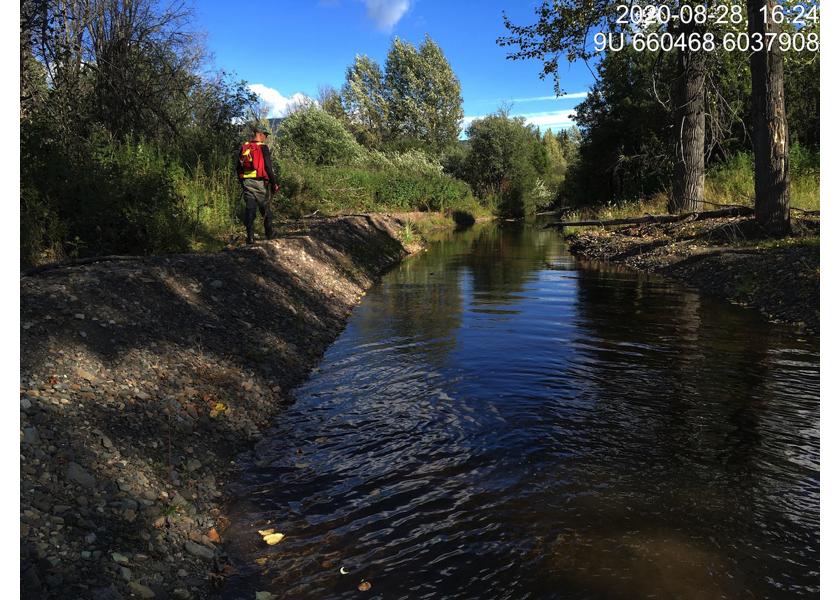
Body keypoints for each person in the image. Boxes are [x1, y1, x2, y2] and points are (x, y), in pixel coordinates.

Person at [236, 124, 279, 244]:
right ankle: (269, 233)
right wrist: (274, 183)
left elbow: (238, 167)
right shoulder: (263, 147)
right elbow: (268, 168)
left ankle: (250, 238)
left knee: (250, 209)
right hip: (260, 183)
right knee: (265, 208)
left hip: (246, 182)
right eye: (265, 135)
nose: (265, 137)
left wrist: (242, 182)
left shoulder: (245, 147)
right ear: (260, 134)